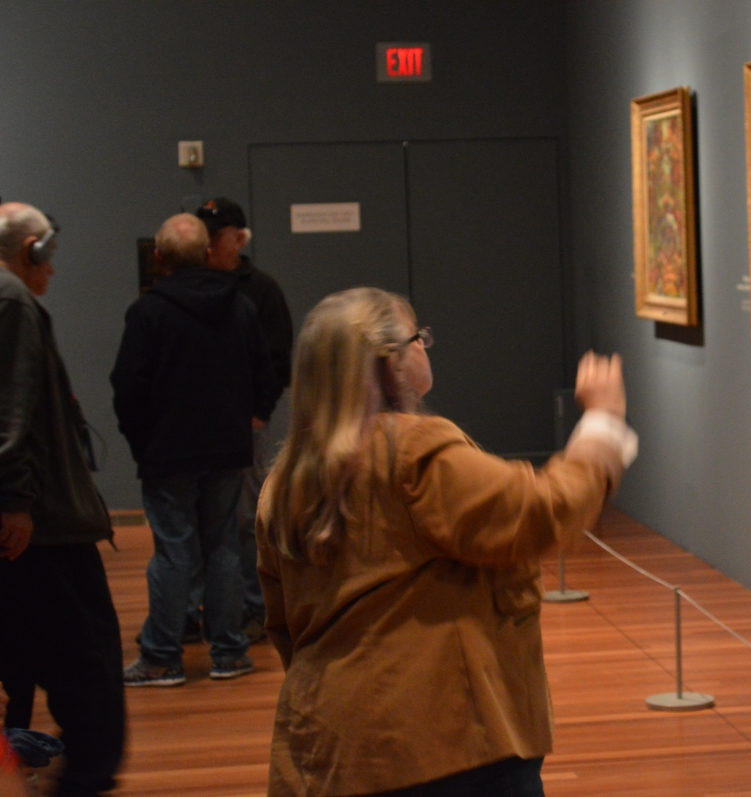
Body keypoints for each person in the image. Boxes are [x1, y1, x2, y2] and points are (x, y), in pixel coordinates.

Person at [256, 288, 636, 797]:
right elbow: (541, 511)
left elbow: (283, 624)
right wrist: (603, 422)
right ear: (387, 363)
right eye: (417, 337)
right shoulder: (410, 451)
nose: (424, 346)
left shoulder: (283, 482)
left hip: (326, 746)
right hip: (445, 743)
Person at [111, 214, 277, 686]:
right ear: (207, 253)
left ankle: (162, 656)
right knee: (223, 546)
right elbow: (265, 373)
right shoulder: (240, 307)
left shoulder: (147, 313)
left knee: (173, 550)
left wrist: (141, 444)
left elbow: (127, 387)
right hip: (227, 449)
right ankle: (229, 652)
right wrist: (251, 418)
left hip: (167, 454)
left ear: (159, 257)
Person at [0, 203, 126, 796]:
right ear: (33, 248)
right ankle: (87, 775)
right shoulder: (12, 301)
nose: (52, 268)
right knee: (87, 657)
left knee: (26, 650)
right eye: (49, 254)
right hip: (44, 523)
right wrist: (14, 499)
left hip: (36, 518)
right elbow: (11, 411)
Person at [196, 198, 293, 643]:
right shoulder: (192, 285)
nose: (208, 243)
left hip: (247, 424)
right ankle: (212, 608)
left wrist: (259, 414)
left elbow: (278, 358)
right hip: (201, 424)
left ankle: (257, 606)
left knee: (246, 519)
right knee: (204, 519)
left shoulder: (261, 290)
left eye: (215, 235)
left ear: (238, 238)